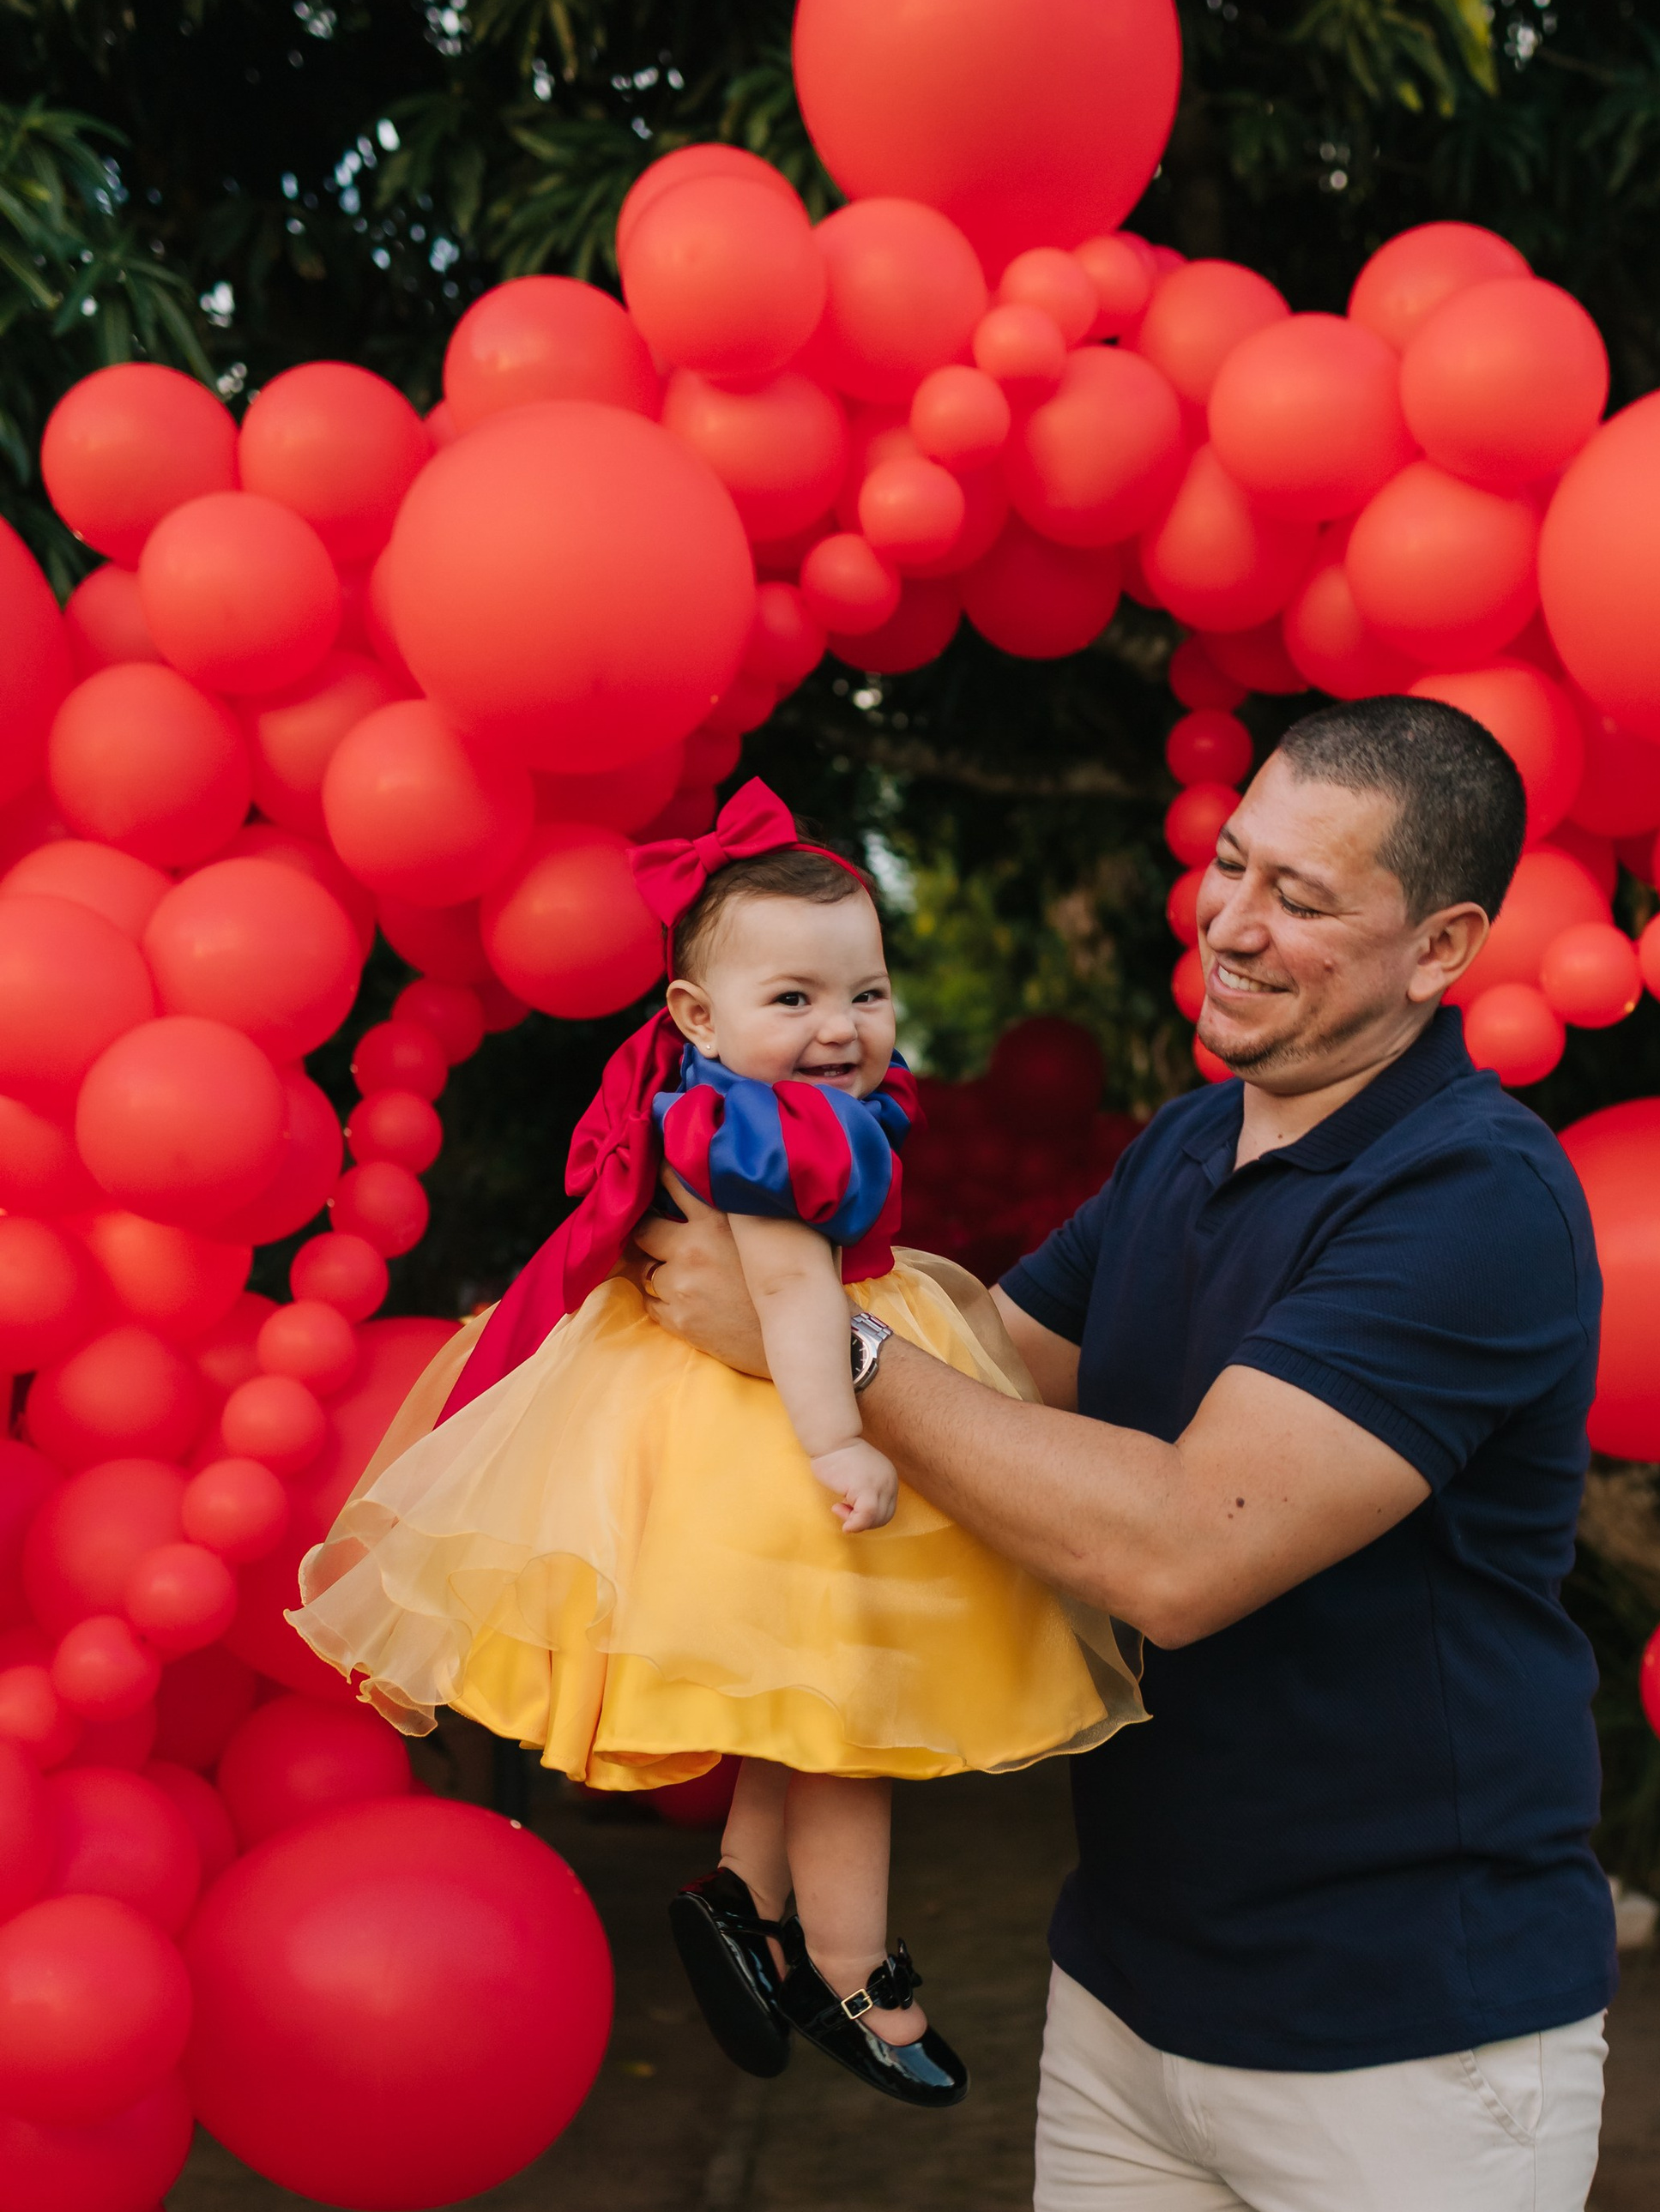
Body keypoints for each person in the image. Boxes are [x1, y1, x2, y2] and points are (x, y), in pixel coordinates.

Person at [633, 696, 1615, 2212]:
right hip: (1138, 2011)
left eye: (1303, 895)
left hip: (1409, 2040)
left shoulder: (1471, 1203)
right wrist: (768, 1218)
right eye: (1230, 862)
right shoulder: (1195, 1144)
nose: (1233, 923)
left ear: (1441, 950)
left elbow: (1176, 1540)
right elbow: (1021, 1371)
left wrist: (827, 1351)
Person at [291, 779, 1142, 2110]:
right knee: (851, 1714)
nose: (840, 1029)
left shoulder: (704, 1090)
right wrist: (846, 1442)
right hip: (779, 1406)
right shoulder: (774, 1133)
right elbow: (794, 1300)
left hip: (723, 1404)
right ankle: (854, 1971)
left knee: (796, 1696)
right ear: (696, 1015)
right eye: (792, 1001)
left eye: (863, 993)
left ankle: (745, 1896)